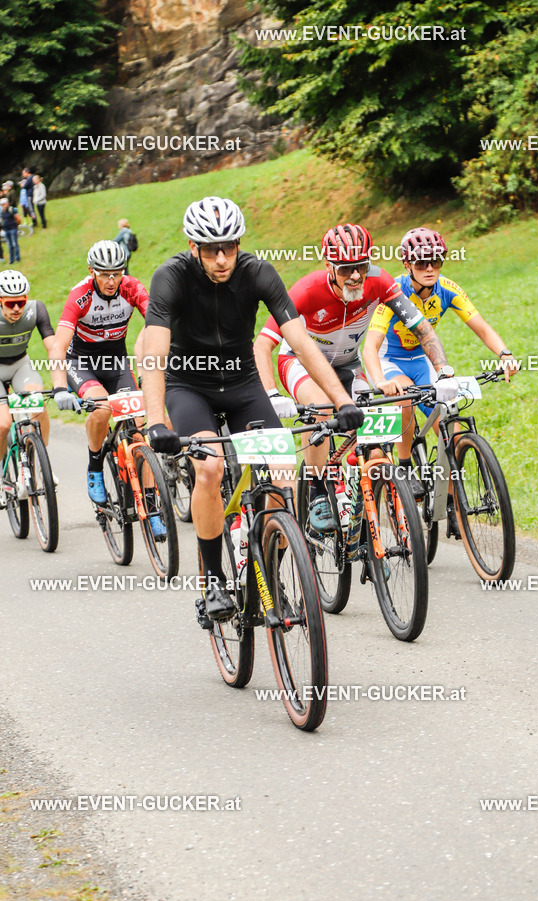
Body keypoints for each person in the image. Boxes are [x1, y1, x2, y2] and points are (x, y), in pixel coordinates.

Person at [143, 196, 364, 622]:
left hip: (243, 384)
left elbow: (300, 342)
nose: (222, 258)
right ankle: (212, 580)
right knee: (209, 468)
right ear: (193, 246)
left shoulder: (258, 272)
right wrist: (156, 421)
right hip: (189, 384)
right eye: (211, 249)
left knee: (283, 476)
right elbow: (154, 351)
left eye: (230, 246)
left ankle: (268, 570)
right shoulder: (170, 277)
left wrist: (341, 399)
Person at [254, 222, 457, 528]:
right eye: (346, 268)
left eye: (361, 266)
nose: (356, 276)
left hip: (348, 365)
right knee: (322, 406)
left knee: (373, 434)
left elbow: (421, 327)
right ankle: (317, 489)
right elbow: (262, 344)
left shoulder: (379, 281)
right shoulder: (307, 291)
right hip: (299, 363)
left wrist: (443, 372)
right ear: (329, 266)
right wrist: (271, 393)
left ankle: (364, 527)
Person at [363, 226, 517, 484]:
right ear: (407, 263)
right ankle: (404, 468)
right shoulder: (393, 292)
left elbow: (481, 326)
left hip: (421, 361)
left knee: (451, 433)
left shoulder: (447, 288)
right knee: (405, 397)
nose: (430, 268)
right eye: (422, 262)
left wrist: (504, 353)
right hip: (388, 361)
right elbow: (370, 346)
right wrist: (380, 381)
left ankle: (452, 505)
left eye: (436, 261)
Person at [49, 240, 154, 520]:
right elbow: (58, 346)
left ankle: (154, 505)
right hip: (82, 363)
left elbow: (158, 322)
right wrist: (60, 387)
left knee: (139, 429)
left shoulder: (132, 288)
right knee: (103, 408)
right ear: (91, 271)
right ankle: (95, 465)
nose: (111, 280)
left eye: (117, 273)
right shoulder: (79, 296)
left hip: (116, 362)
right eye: (104, 274)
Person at [0, 271, 56, 490]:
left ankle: (43, 461)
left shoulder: (36, 309)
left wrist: (59, 380)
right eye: (11, 303)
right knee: (3, 424)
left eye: (20, 302)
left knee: (38, 406)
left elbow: (52, 346)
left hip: (20, 365)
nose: (17, 308)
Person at [0, 198, 20, 264]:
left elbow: (18, 219)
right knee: (9, 245)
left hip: (13, 229)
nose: (3, 205)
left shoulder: (12, 209)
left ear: (7, 203)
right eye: (2, 204)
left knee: (15, 244)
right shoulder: (2, 211)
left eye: (4, 204)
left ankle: (17, 258)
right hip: (6, 230)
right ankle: (11, 260)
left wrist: (16, 225)